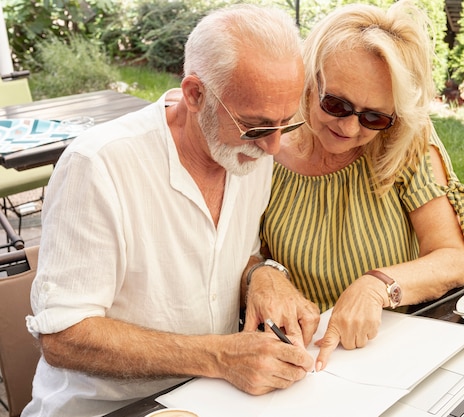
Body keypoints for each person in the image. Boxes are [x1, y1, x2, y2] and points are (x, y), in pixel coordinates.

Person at [22, 5, 320, 417]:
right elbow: (63, 336)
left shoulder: (248, 153)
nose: (272, 146)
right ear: (195, 94)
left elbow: (226, 255)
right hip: (108, 408)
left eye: (285, 124)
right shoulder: (99, 166)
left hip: (208, 397)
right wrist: (219, 357)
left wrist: (262, 274)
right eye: (256, 126)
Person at [256, 0, 464, 372]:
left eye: (374, 116)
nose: (350, 129)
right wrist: (264, 274)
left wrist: (378, 286)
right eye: (336, 104)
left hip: (398, 347)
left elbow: (452, 260)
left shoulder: (406, 140)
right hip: (306, 359)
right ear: (310, 79)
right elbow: (241, 255)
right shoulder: (267, 148)